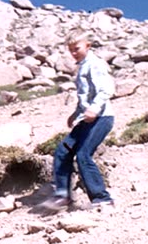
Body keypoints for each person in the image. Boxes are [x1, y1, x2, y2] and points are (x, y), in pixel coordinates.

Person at [43, 34, 116, 210]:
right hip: (87, 118)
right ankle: (62, 195)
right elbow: (85, 96)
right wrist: (76, 113)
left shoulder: (95, 64)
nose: (74, 53)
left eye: (77, 49)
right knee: (62, 150)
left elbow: (107, 89)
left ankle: (102, 197)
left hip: (102, 117)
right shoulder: (83, 66)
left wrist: (94, 109)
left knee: (83, 154)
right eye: (71, 50)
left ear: (88, 45)